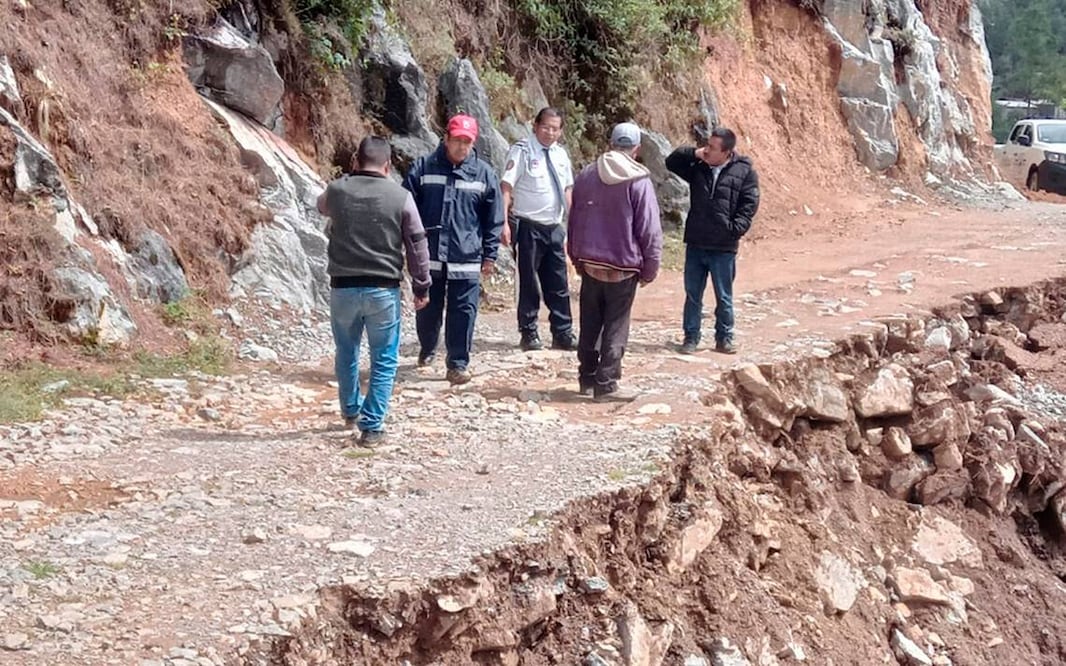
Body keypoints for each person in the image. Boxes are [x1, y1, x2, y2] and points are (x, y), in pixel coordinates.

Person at [316, 136, 431, 446]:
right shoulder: (401, 196)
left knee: (346, 351)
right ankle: (372, 426)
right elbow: (417, 244)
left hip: (343, 288)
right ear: (388, 165)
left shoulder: (338, 190)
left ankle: (350, 409)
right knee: (383, 358)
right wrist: (422, 286)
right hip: (383, 289)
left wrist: (346, 182)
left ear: (355, 161)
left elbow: (321, 205)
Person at [403, 114, 504, 385]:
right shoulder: (423, 168)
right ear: (446, 138)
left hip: (466, 256)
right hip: (429, 255)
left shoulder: (484, 174)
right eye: (457, 140)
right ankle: (427, 348)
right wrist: (408, 249)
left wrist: (489, 254)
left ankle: (458, 364)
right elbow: (405, 209)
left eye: (467, 142)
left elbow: (493, 218)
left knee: (464, 311)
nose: (461, 146)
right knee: (427, 308)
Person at [567, 122, 662, 402]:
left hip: (590, 263)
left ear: (610, 143)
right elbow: (649, 229)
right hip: (622, 267)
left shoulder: (586, 175)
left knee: (590, 322)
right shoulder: (638, 180)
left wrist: (575, 255)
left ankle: (586, 377)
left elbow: (574, 219)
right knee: (616, 326)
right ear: (636, 149)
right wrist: (650, 268)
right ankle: (605, 383)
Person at [665, 127, 760, 355]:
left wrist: (734, 230)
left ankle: (724, 338)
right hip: (697, 242)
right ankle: (691, 337)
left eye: (712, 148)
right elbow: (672, 161)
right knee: (693, 294)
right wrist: (695, 153)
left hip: (723, 246)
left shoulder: (744, 172)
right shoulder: (699, 167)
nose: (707, 150)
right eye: (706, 145)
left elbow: (749, 205)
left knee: (724, 295)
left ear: (727, 152)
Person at [500, 107, 577, 352]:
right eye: (546, 127)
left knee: (558, 280)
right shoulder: (522, 150)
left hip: (554, 225)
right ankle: (529, 331)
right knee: (528, 282)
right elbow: (506, 188)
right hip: (527, 225)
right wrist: (503, 223)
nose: (550, 132)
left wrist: (574, 224)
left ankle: (563, 332)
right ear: (535, 125)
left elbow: (567, 190)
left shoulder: (561, 155)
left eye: (555, 129)